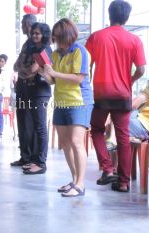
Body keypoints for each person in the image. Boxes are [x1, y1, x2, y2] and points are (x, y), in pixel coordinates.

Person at [86, 0, 146, 192]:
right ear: (126, 17)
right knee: (123, 137)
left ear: (109, 15)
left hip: (102, 92)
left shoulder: (96, 37)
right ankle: (123, 182)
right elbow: (142, 69)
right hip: (123, 93)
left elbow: (85, 65)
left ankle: (107, 168)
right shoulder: (134, 40)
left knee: (96, 129)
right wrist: (130, 80)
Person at [43, 18, 93, 197]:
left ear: (67, 35)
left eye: (57, 37)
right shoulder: (56, 54)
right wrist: (45, 73)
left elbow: (78, 78)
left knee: (76, 142)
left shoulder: (80, 51)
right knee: (64, 143)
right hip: (61, 101)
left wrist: (54, 73)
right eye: (54, 37)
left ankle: (80, 184)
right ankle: (74, 180)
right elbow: (53, 81)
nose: (55, 41)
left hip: (79, 101)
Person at [21, 22, 52, 175]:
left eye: (37, 33)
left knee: (40, 127)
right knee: (34, 126)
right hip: (32, 90)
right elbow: (20, 68)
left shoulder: (45, 48)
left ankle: (41, 162)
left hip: (41, 92)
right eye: (33, 33)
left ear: (44, 34)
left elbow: (32, 70)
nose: (34, 35)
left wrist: (26, 71)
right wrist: (26, 71)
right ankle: (34, 160)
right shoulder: (33, 48)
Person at [10, 14, 38, 167]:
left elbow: (32, 69)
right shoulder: (26, 44)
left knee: (31, 122)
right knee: (21, 121)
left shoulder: (37, 44)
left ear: (28, 24)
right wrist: (23, 69)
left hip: (32, 87)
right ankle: (24, 156)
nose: (21, 26)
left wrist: (23, 69)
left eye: (22, 23)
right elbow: (16, 65)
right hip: (22, 85)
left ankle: (32, 158)